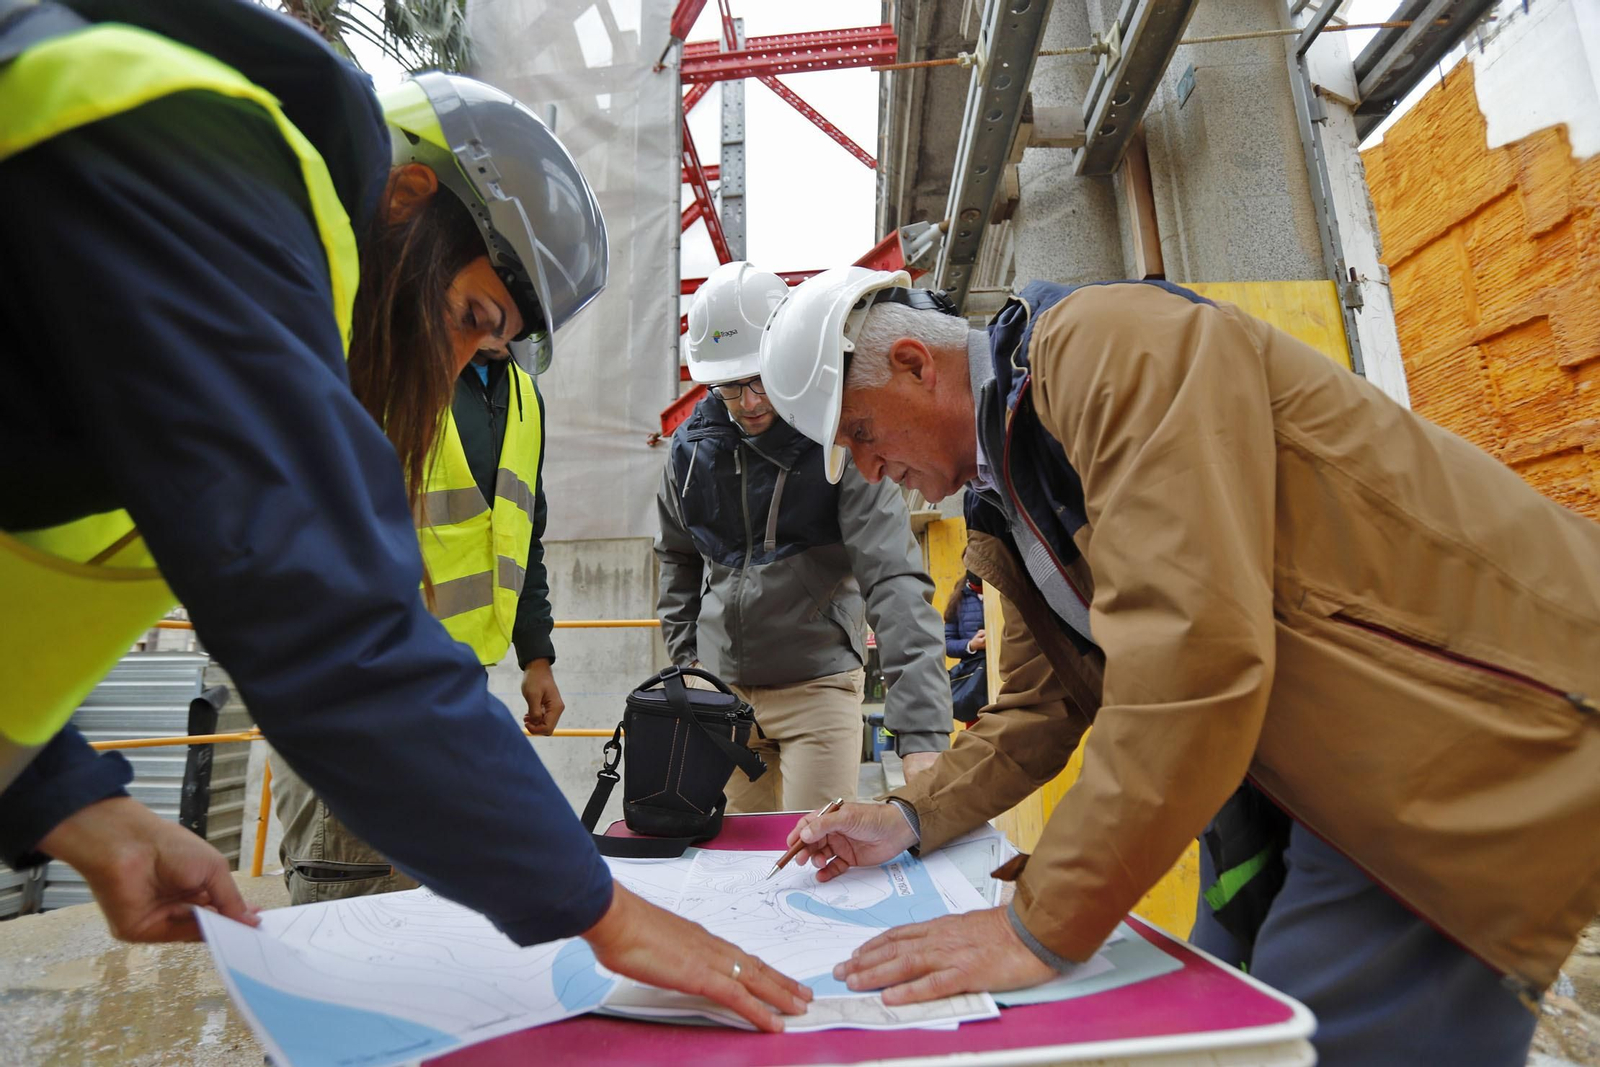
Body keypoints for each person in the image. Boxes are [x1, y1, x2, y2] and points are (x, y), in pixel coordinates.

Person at [0, 0, 806, 1031]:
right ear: (405, 197)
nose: (454, 364)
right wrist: (596, 905)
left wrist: (65, 797)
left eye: (488, 346)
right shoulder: (208, 171)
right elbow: (321, 616)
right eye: (470, 319)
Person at [760, 266, 1600, 1061]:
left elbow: (1190, 647)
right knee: (1216, 1020)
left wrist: (1033, 923)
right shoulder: (1010, 493)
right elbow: (1040, 709)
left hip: (1464, 723)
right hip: (1323, 774)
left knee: (1301, 1039)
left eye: (861, 433)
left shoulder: (1108, 349)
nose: (871, 471)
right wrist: (908, 815)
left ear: (915, 364)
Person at [655, 261, 951, 812]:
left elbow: (893, 580)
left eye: (759, 378)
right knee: (739, 876)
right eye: (729, 386)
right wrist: (688, 662)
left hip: (818, 691)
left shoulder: (842, 439)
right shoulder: (688, 456)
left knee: (818, 860)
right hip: (721, 696)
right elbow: (675, 559)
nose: (750, 402)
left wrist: (923, 737)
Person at [270, 349, 565, 903]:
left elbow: (523, 532)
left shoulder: (524, 395)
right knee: (350, 894)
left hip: (453, 689)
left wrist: (536, 656)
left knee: (424, 898)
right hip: (358, 691)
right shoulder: (380, 365)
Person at [942, 571, 987, 724]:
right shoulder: (958, 599)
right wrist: (971, 645)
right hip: (975, 679)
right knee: (977, 728)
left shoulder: (1007, 589)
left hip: (1008, 670)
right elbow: (947, 643)